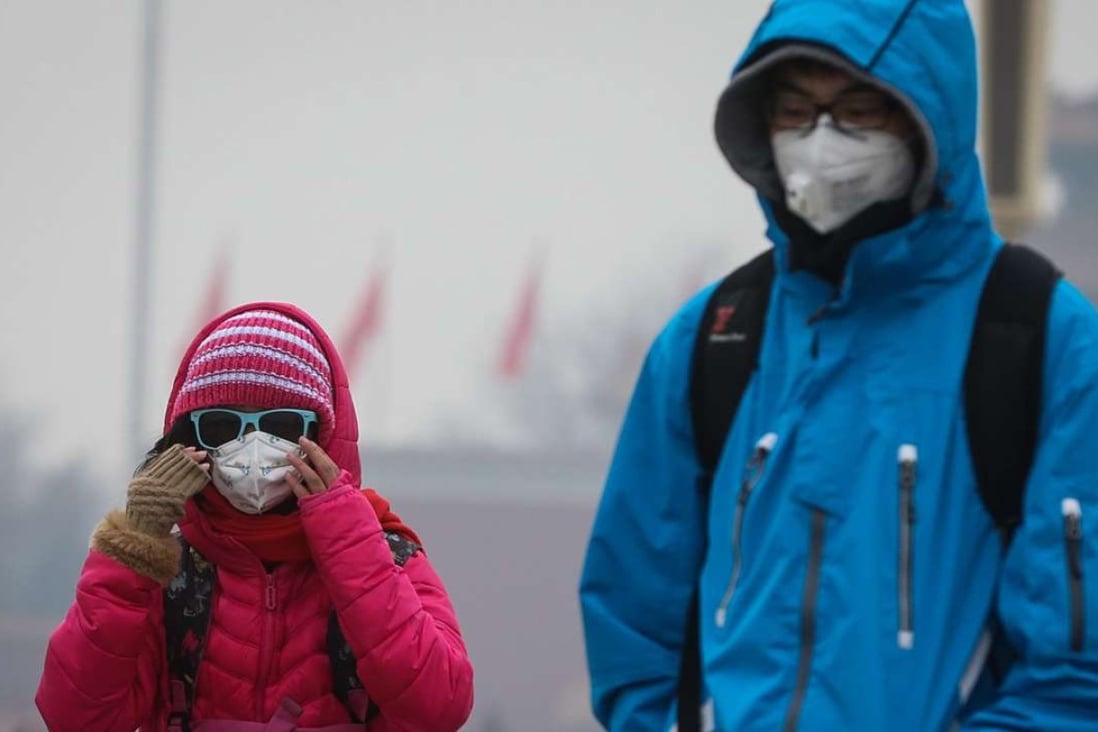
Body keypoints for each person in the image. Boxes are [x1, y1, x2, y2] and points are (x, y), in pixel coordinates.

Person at [579, 1, 1098, 730]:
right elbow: (633, 625)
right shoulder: (713, 340)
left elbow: (1078, 678)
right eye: (796, 109)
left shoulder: (1046, 342)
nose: (823, 140)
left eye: (859, 109)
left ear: (930, 122)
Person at [37, 303, 474, 731]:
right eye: (223, 427)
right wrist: (133, 548)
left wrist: (344, 537)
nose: (253, 447)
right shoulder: (168, 574)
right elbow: (75, 716)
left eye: (282, 426)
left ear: (322, 434)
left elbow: (438, 709)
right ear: (189, 438)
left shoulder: (388, 557)